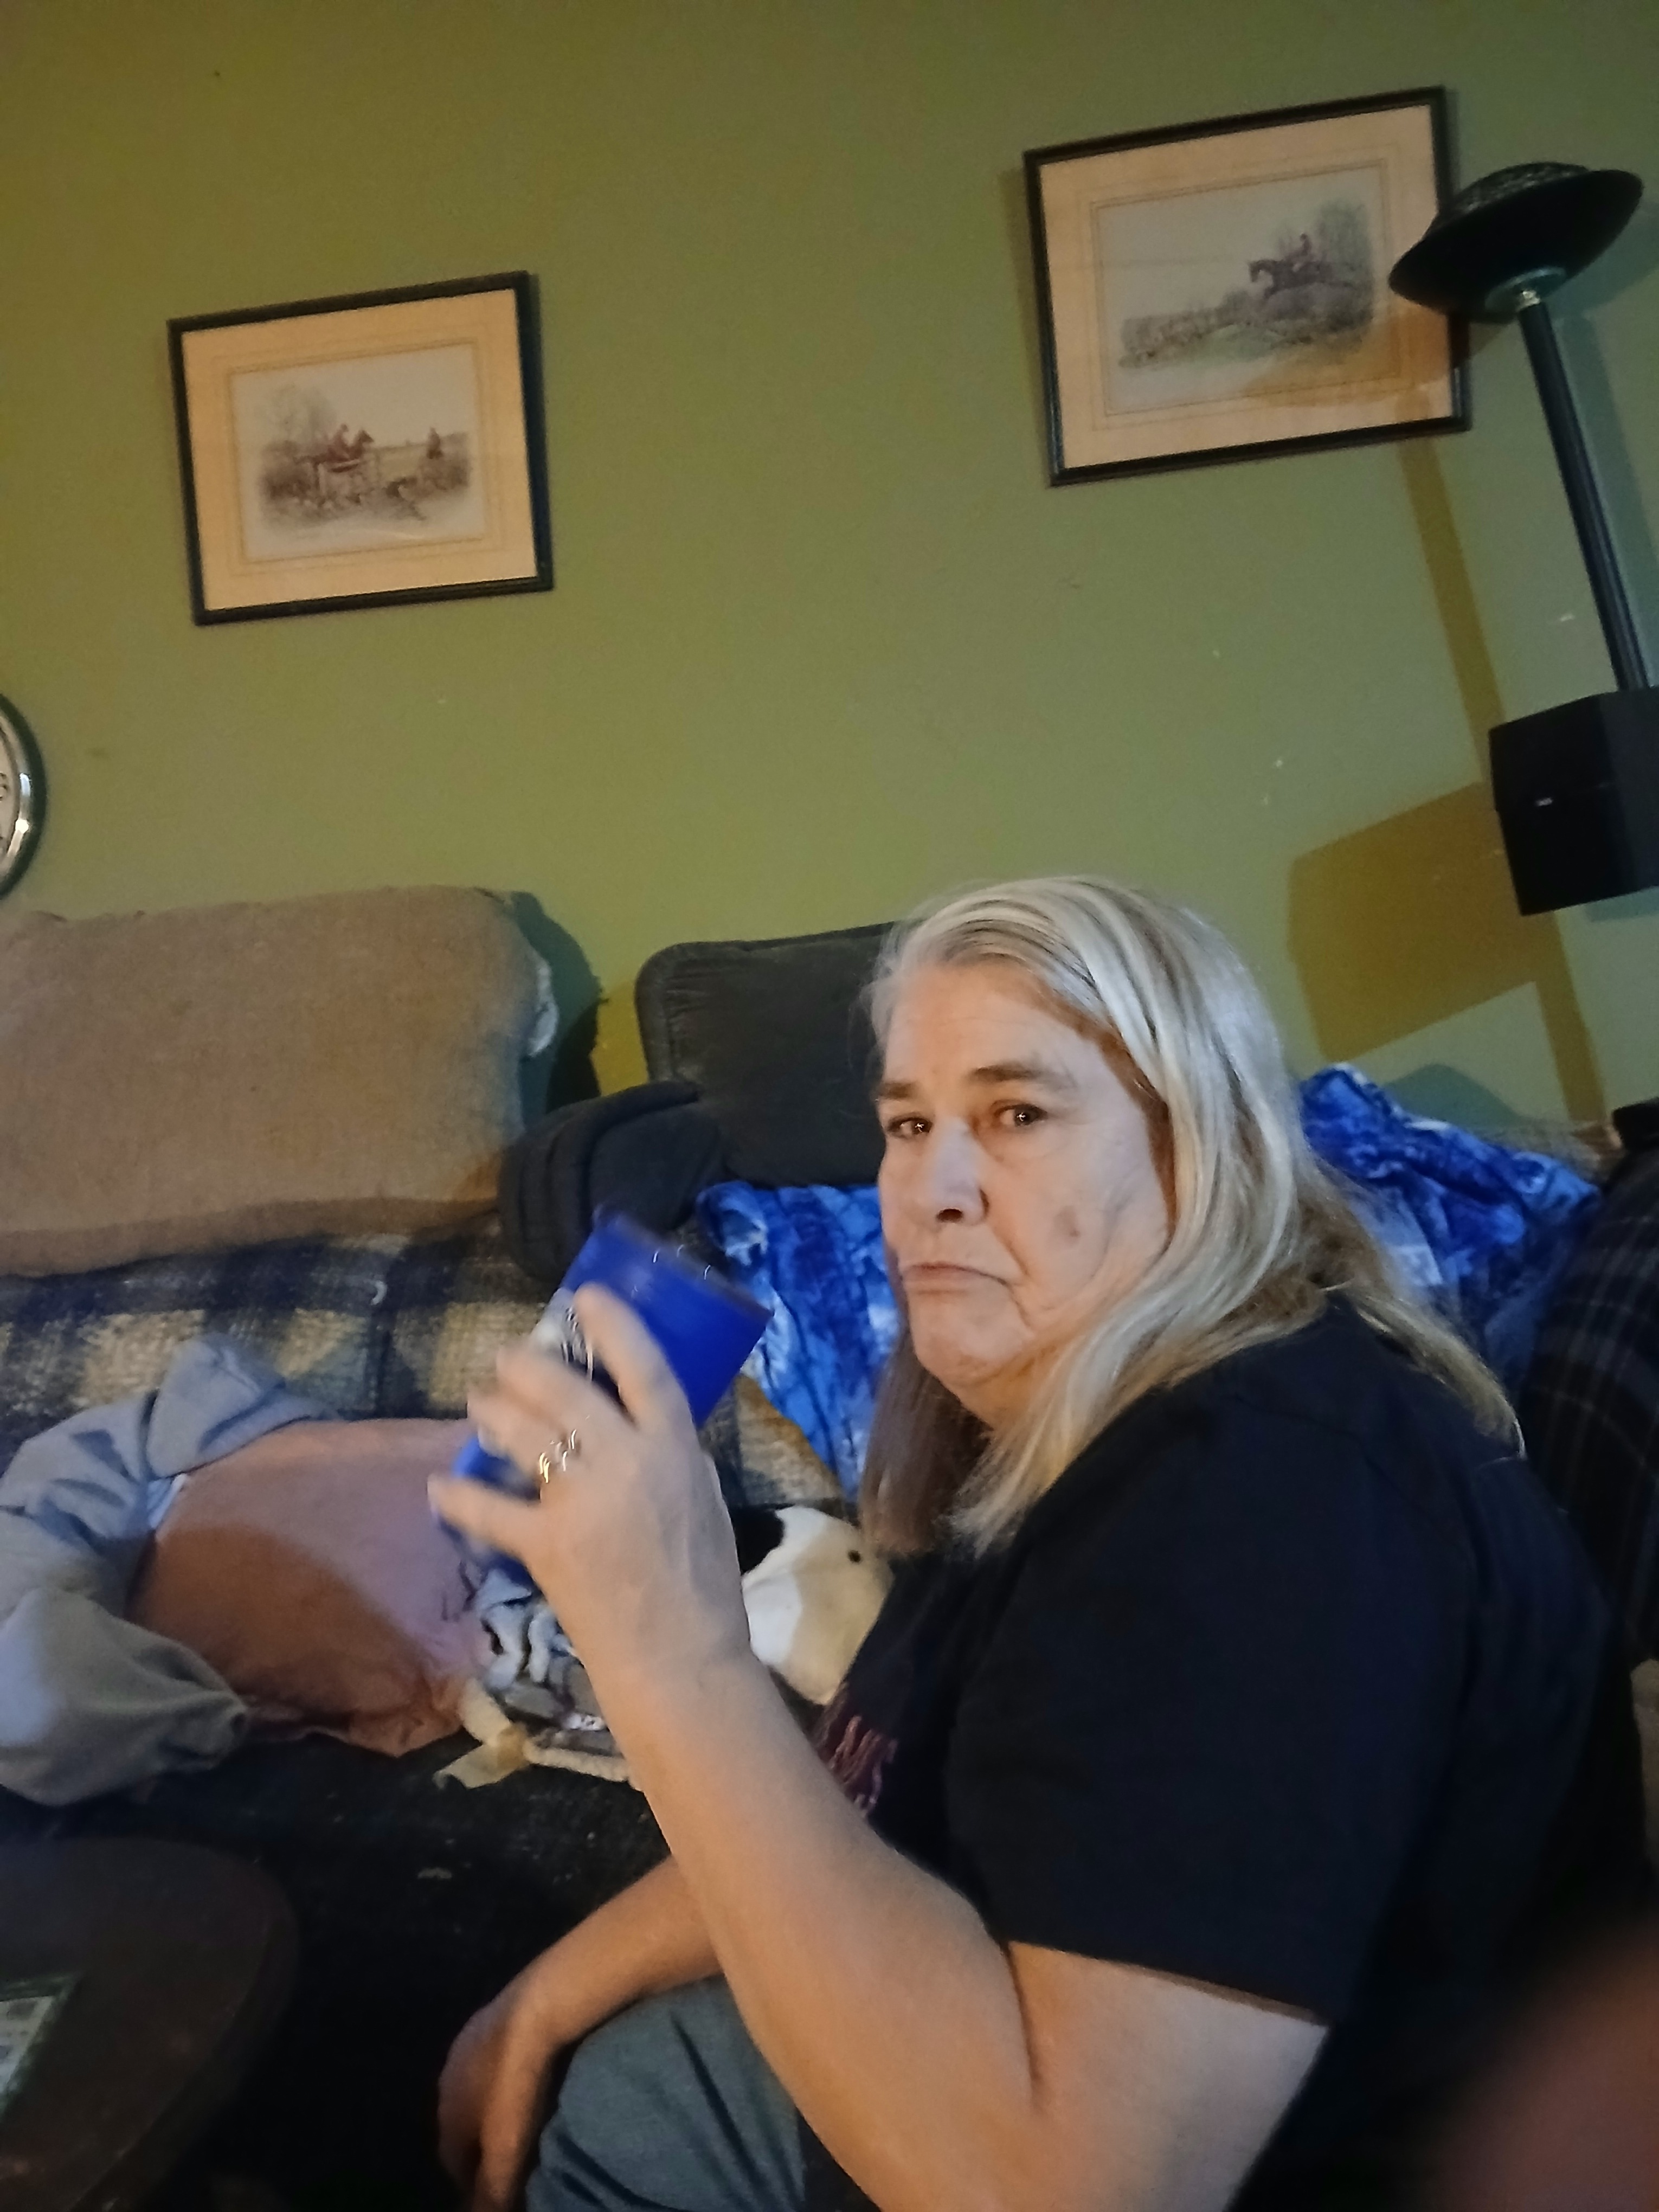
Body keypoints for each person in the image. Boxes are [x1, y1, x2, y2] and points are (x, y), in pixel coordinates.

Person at [430, 877, 1648, 2212]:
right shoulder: (1062, 1445)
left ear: (1199, 1151)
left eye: (1016, 1114)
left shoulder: (1263, 1499)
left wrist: (673, 1651)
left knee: (630, 2115)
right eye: (908, 1124)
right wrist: (543, 1999)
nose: (929, 1189)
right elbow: (863, 1795)